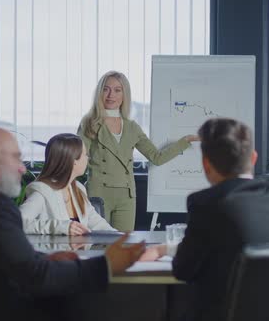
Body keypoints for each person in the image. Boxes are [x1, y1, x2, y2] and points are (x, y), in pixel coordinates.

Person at [0, 126, 145, 321]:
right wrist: (107, 264)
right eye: (16, 157)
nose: (22, 168)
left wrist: (42, 259)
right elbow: (38, 278)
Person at [140, 118, 269, 321]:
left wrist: (162, 251)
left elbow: (183, 269)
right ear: (254, 158)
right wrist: (165, 249)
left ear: (206, 164)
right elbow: (233, 245)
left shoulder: (207, 204)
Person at [78, 70, 199, 231]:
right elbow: (77, 157)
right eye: (106, 89)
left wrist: (186, 141)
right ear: (100, 92)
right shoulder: (89, 122)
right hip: (98, 192)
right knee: (98, 244)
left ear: (124, 95)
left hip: (127, 196)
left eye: (117, 90)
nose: (110, 95)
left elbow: (157, 157)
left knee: (123, 246)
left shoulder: (132, 127)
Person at [20, 133, 116, 235]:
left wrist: (121, 238)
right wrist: (59, 227)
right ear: (74, 161)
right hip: (52, 251)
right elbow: (17, 222)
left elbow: (96, 223)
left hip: (79, 251)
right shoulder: (42, 191)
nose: (88, 158)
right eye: (86, 155)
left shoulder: (78, 188)